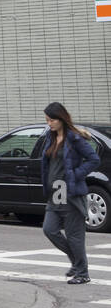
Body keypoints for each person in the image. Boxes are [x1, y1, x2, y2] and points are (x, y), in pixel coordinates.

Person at [38, 102, 99, 285]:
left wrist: (76, 174)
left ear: (61, 119)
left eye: (52, 120)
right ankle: (77, 262)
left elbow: (93, 159)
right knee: (50, 230)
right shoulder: (50, 137)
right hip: (56, 192)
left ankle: (82, 273)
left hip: (71, 193)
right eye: (47, 120)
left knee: (74, 235)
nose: (49, 123)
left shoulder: (74, 139)